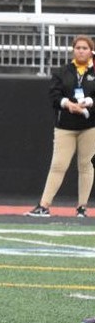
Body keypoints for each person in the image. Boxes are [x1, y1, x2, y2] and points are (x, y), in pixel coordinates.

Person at [25, 35, 95, 218]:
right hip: (65, 126)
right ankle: (44, 205)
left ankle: (82, 207)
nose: (81, 50)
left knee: (86, 166)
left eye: (85, 48)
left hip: (89, 126)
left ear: (91, 51)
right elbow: (54, 95)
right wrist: (68, 104)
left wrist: (89, 101)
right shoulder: (63, 71)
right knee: (58, 165)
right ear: (73, 50)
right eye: (78, 47)